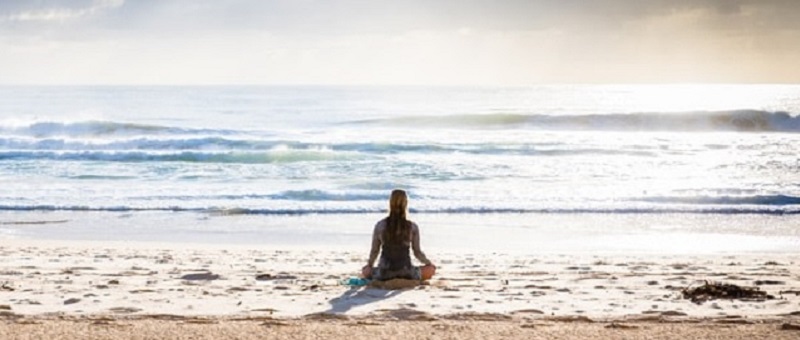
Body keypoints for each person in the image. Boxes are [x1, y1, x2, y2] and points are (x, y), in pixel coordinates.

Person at [362, 189, 436, 281]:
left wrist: (369, 265)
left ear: (390, 203)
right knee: (431, 270)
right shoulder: (412, 227)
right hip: (406, 273)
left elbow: (374, 251)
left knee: (365, 271)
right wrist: (429, 263)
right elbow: (417, 252)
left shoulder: (380, 225)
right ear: (406, 203)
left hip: (384, 274)